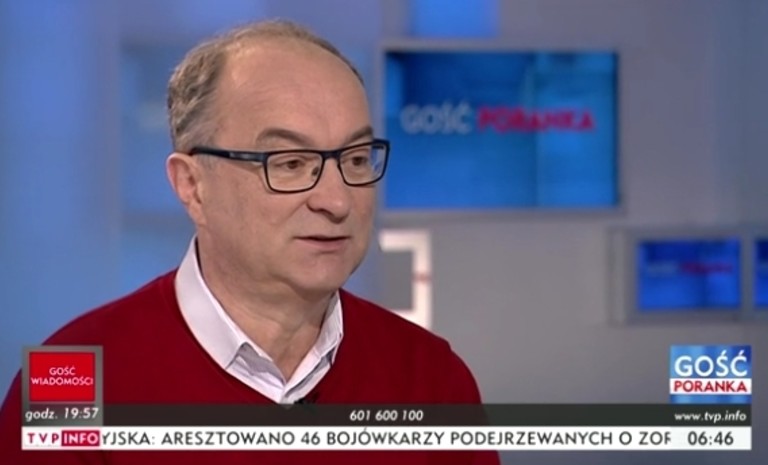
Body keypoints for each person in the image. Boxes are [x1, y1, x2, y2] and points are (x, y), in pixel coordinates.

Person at [0, 19, 499, 465]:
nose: (337, 200)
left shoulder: (432, 377)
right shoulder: (69, 380)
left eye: (354, 159)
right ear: (192, 186)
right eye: (289, 163)